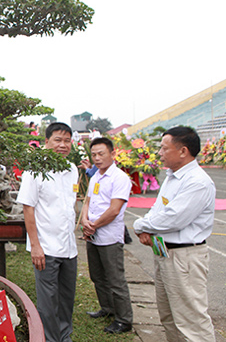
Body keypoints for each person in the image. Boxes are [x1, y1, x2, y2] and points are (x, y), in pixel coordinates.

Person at [133, 126, 216, 342]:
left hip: (185, 258)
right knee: (169, 317)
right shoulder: (172, 177)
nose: (159, 153)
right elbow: (159, 210)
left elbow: (174, 217)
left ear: (183, 151)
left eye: (163, 148)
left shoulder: (197, 181)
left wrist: (141, 225)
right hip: (164, 251)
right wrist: (148, 228)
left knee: (192, 322)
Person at [17, 122, 79, 342]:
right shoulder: (34, 169)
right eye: (58, 140)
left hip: (69, 247)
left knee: (66, 298)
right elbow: (28, 208)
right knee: (47, 300)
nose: (63, 145)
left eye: (67, 140)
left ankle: (65, 336)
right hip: (46, 247)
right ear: (46, 142)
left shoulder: (72, 169)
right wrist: (35, 245)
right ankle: (51, 339)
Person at [80, 137, 133, 334]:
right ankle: (107, 308)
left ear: (112, 154)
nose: (97, 158)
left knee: (115, 278)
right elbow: (87, 201)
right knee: (97, 275)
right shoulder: (95, 177)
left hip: (109, 236)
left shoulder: (119, 178)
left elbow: (114, 209)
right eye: (93, 154)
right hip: (92, 234)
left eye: (101, 154)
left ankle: (124, 319)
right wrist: (85, 221)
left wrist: (93, 225)